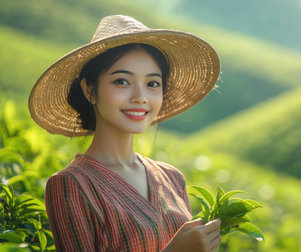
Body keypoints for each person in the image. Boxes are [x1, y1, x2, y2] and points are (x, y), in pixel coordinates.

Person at [28, 15, 221, 251]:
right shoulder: (72, 184)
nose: (140, 96)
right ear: (90, 90)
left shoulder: (172, 178)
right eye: (122, 81)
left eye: (152, 84)